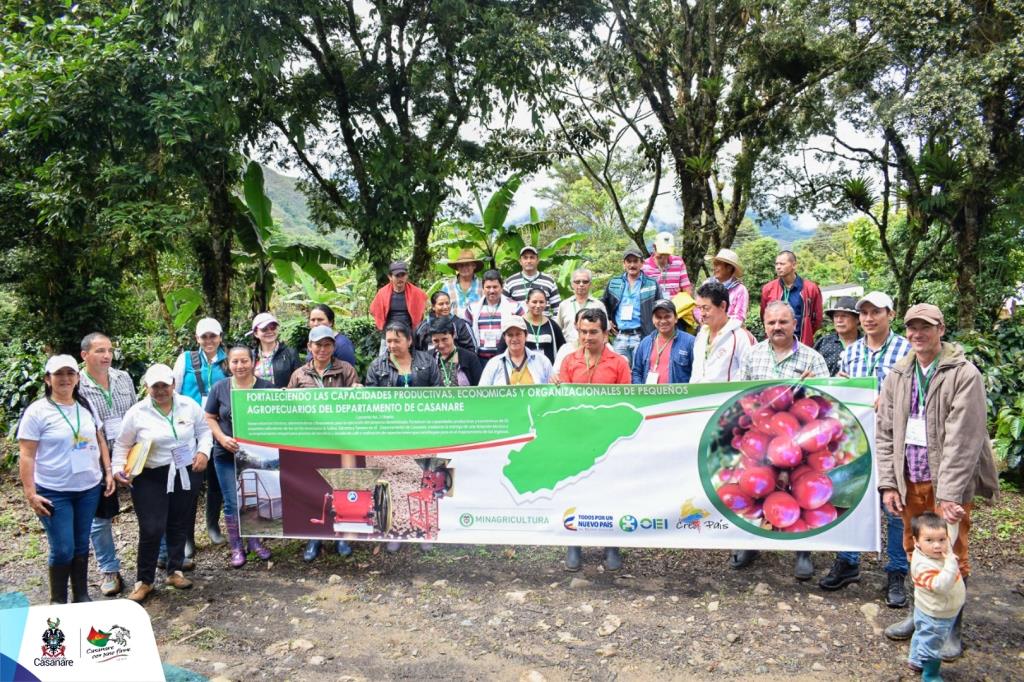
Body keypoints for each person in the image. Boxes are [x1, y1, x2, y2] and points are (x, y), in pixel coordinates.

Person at [877, 303, 999, 658]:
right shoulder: (899, 373)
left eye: (926, 327)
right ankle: (922, 615)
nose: (918, 334)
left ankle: (950, 628)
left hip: (946, 483)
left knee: (951, 551)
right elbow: (885, 431)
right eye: (912, 327)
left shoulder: (964, 374)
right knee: (915, 548)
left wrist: (950, 494)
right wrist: (889, 482)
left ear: (940, 329)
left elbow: (965, 439)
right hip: (910, 477)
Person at [820, 291, 912, 606]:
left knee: (895, 506)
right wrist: (841, 385)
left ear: (890, 314)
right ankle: (848, 561)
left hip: (893, 440)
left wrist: (890, 398)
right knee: (851, 497)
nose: (869, 319)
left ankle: (897, 571)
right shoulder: (852, 352)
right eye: (865, 313)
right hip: (855, 440)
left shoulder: (906, 350)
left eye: (876, 312)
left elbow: (917, 392)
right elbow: (840, 393)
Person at [731, 301, 829, 579]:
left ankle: (802, 551)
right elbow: (738, 394)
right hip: (761, 440)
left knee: (799, 487)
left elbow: (827, 401)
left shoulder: (812, 358)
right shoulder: (752, 355)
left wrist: (814, 387)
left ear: (794, 324)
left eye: (783, 322)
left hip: (798, 442)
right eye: (771, 322)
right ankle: (751, 544)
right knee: (756, 487)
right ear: (764, 326)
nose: (777, 327)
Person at [18, 355, 115, 604]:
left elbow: (99, 439)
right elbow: (27, 455)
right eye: (58, 374)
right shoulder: (37, 412)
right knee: (63, 548)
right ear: (47, 379)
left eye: (70, 373)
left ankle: (81, 595)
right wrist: (30, 493)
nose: (65, 379)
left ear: (77, 378)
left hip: (88, 488)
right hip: (54, 490)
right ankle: (58, 601)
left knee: (81, 543)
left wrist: (107, 471)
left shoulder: (86, 406)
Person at [112, 364, 213, 603]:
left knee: (179, 521)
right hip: (150, 475)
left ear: (173, 385)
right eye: (155, 386)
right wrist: (117, 468)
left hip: (184, 471)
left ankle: (174, 570)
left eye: (164, 385)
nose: (160, 391)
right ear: (147, 387)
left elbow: (204, 431)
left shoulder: (189, 405)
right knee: (152, 527)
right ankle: (144, 580)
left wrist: (203, 452)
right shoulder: (137, 412)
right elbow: (122, 444)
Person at [558, 308, 630, 572]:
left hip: (607, 440)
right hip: (576, 439)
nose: (587, 337)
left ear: (605, 332)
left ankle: (611, 545)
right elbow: (562, 404)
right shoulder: (569, 361)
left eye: (593, 332)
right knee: (574, 489)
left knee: (609, 490)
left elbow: (625, 404)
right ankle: (573, 544)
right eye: (583, 332)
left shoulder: (619, 363)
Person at [288, 327, 364, 562]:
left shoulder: (346, 370)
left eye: (327, 344)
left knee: (341, 485)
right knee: (314, 486)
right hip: (311, 442)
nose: (322, 349)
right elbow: (289, 408)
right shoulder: (299, 374)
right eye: (318, 344)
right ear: (309, 347)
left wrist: (358, 391)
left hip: (340, 439)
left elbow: (357, 405)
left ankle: (341, 535)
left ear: (333, 347)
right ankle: (315, 536)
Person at [204, 346, 275, 567]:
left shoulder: (266, 388)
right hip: (226, 453)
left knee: (253, 499)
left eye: (244, 360)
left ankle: (254, 542)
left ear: (253, 362)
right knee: (232, 501)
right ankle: (236, 546)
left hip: (256, 455)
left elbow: (277, 418)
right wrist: (222, 438)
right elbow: (209, 416)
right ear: (228, 364)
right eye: (235, 361)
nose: (240, 366)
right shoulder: (220, 388)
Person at [78, 333, 136, 597]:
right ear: (85, 355)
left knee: (150, 507)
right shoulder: (76, 385)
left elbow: (135, 413)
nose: (107, 355)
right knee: (100, 519)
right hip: (97, 460)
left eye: (110, 350)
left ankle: (160, 555)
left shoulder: (123, 378)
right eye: (100, 350)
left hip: (131, 455)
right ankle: (109, 569)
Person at [171, 318, 228, 557]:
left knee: (216, 480)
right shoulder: (186, 359)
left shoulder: (228, 360)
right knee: (189, 483)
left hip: (219, 428)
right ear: (197, 339)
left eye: (213, 336)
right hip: (189, 429)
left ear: (220, 337)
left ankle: (213, 525)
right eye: (204, 337)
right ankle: (187, 537)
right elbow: (174, 391)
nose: (209, 341)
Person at [906, 512, 966, 681]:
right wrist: (951, 564)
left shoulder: (942, 549)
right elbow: (940, 586)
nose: (937, 545)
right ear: (916, 542)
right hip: (935, 613)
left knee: (922, 634)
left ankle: (916, 661)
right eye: (929, 540)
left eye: (941, 539)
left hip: (934, 609)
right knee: (932, 643)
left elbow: (950, 532)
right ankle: (930, 675)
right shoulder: (922, 565)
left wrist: (955, 519)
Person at [602, 247, 665, 367]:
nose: (632, 265)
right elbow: (603, 304)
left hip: (642, 336)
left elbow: (660, 308)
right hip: (619, 336)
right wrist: (607, 320)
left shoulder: (651, 284)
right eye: (629, 261)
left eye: (635, 261)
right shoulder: (614, 283)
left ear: (642, 263)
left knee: (640, 370)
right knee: (618, 370)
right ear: (624, 263)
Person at [690, 281, 754, 383]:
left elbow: (748, 373)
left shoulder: (739, 337)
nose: (702, 314)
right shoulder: (701, 335)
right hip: (697, 393)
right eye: (699, 308)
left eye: (706, 308)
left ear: (723, 306)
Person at [760, 250, 822, 346]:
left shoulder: (811, 288)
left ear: (794, 265)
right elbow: (764, 316)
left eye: (782, 264)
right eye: (776, 264)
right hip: (776, 342)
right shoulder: (768, 289)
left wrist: (807, 333)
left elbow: (817, 319)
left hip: (802, 342)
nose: (778, 267)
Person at [463, 269, 523, 362]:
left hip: (507, 358)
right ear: (483, 288)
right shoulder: (472, 309)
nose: (492, 291)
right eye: (488, 287)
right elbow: (466, 334)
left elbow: (523, 331)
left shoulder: (514, 307)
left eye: (495, 287)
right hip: (479, 359)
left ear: (501, 287)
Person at [631, 299, 695, 384]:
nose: (663, 321)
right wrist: (641, 390)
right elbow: (637, 372)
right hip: (650, 392)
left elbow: (697, 373)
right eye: (658, 317)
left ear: (676, 318)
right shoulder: (645, 343)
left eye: (667, 316)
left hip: (678, 393)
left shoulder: (690, 342)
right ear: (653, 320)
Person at [369, 260, 428, 352]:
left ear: (407, 276)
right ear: (390, 277)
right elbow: (374, 310)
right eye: (397, 276)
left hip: (408, 336)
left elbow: (422, 310)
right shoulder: (382, 293)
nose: (400, 279)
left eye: (402, 275)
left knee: (412, 360)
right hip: (389, 336)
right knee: (383, 360)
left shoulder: (416, 293)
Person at [479, 315, 555, 386]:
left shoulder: (542, 362)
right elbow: (482, 392)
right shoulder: (493, 364)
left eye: (518, 334)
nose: (514, 339)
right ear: (504, 337)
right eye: (510, 335)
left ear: (526, 335)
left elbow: (553, 390)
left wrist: (555, 383)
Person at [497, 288, 565, 365]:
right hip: (521, 369)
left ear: (546, 303)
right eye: (534, 302)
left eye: (541, 302)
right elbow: (501, 350)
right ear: (527, 303)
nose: (538, 305)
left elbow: (562, 350)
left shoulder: (552, 325)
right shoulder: (516, 324)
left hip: (547, 369)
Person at [365, 321, 443, 388]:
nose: (392, 345)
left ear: (409, 340)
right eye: (389, 341)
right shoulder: (376, 366)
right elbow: (371, 395)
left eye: (397, 341)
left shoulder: (427, 361)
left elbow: (438, 390)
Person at [414, 290, 477, 355]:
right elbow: (416, 350)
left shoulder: (460, 325)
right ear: (433, 307)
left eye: (447, 303)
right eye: (441, 304)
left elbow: (472, 349)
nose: (445, 307)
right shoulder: (424, 326)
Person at [249, 312, 300, 389]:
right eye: (264, 329)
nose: (269, 331)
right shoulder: (250, 356)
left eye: (273, 327)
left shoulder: (290, 353)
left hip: (284, 396)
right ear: (256, 333)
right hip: (257, 396)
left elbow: (299, 380)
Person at [503, 246, 561, 312]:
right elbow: (503, 307)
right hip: (519, 318)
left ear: (537, 260)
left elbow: (557, 308)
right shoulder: (510, 282)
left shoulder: (549, 281)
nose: (529, 261)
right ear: (520, 261)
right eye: (525, 258)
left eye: (532, 257)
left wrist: (552, 319)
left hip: (543, 318)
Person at [814, 297, 862, 377]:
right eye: (836, 316)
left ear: (857, 319)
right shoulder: (823, 343)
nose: (839, 320)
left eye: (844, 316)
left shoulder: (866, 344)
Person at [556, 268, 606, 345]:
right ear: (572, 284)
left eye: (585, 282)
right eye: (577, 282)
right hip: (569, 348)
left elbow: (605, 331)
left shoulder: (599, 305)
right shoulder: (564, 305)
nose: (581, 284)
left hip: (592, 348)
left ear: (590, 284)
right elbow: (558, 330)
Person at [430, 317, 483, 387]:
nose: (441, 345)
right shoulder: (427, 359)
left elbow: (480, 388)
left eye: (445, 339)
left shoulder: (470, 358)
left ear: (454, 335)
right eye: (436, 341)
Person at [704, 248, 748, 324]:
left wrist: (718, 321)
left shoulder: (740, 290)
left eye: (718, 264)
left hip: (730, 329)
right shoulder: (707, 284)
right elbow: (697, 308)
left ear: (729, 268)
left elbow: (740, 317)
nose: (714, 268)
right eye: (714, 264)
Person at [642, 232, 691, 298]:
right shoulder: (644, 266)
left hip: (675, 304)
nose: (664, 257)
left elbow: (686, 290)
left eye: (667, 253)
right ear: (654, 246)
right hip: (654, 304)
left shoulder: (678, 262)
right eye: (662, 253)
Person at [441, 248, 485, 317]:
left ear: (474, 266)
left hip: (476, 323)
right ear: (457, 267)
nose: (464, 268)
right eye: (461, 265)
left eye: (467, 265)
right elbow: (441, 308)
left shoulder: (482, 285)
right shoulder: (447, 286)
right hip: (452, 323)